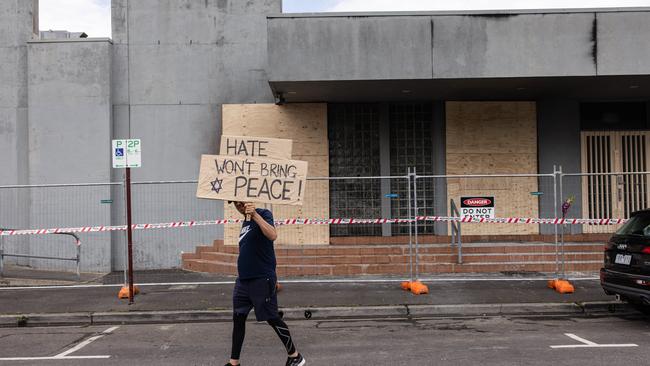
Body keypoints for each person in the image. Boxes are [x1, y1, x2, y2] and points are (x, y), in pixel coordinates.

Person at [225, 201, 306, 366]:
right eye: (235, 203)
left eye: (241, 202)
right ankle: (234, 363)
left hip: (261, 279)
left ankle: (295, 356)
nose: (239, 205)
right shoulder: (245, 221)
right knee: (238, 318)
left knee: (272, 318)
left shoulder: (263, 214)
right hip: (243, 281)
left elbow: (272, 235)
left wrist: (255, 215)